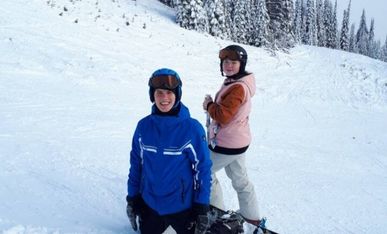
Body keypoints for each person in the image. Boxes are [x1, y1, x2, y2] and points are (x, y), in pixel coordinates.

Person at [126, 68, 212, 234]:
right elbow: (136, 164)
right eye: (159, 92)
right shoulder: (143, 126)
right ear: (152, 95)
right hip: (149, 205)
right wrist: (132, 198)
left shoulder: (192, 128)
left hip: (181, 208)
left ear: (177, 94)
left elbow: (203, 169)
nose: (164, 98)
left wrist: (202, 205)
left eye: (169, 92)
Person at [202, 45, 261, 226]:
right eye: (226, 62)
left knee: (205, 172)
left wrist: (209, 105)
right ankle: (251, 218)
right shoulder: (237, 82)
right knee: (240, 179)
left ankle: (216, 214)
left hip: (227, 144)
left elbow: (223, 116)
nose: (228, 65)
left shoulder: (237, 87)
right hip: (239, 141)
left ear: (241, 64)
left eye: (233, 62)